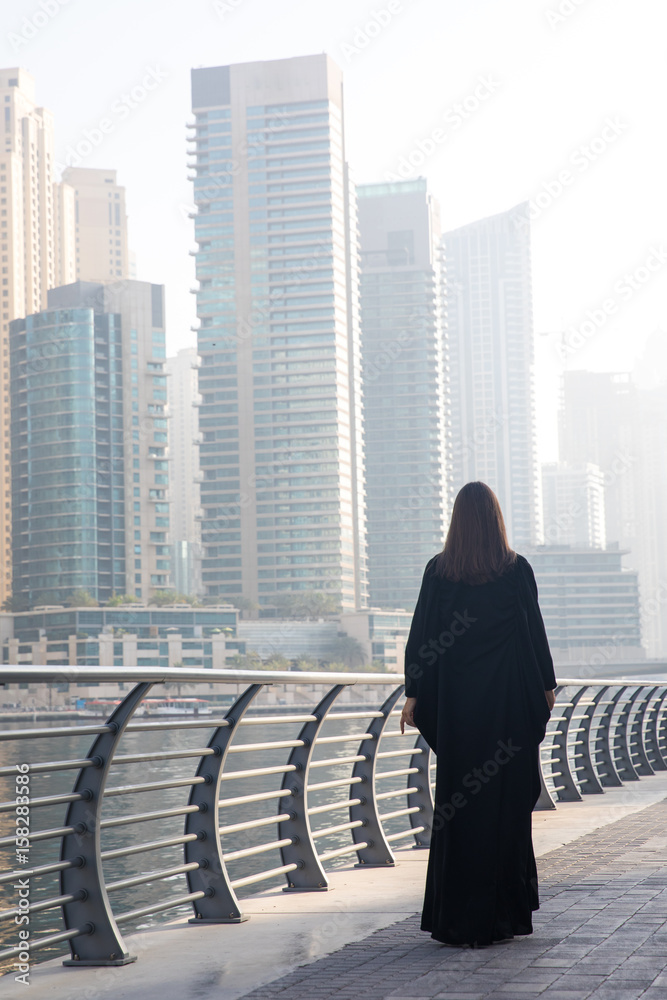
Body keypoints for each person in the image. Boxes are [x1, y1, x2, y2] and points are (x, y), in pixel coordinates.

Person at [400, 481, 557, 947]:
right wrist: (545, 688)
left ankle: (456, 920)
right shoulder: (515, 570)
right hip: (507, 713)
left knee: (458, 810)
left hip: (457, 717)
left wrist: (414, 693)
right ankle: (502, 917)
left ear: (457, 522)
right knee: (505, 811)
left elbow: (422, 635)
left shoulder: (438, 571)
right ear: (496, 520)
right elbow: (534, 633)